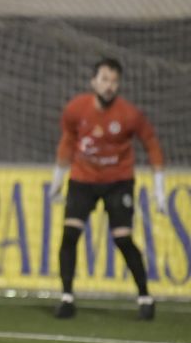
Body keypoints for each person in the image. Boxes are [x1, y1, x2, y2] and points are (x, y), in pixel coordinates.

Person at [48, 57, 165, 320]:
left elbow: (152, 144)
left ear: (119, 84)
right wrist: (57, 180)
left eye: (114, 80)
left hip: (118, 182)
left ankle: (145, 297)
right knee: (70, 234)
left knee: (123, 238)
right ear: (93, 82)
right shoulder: (76, 109)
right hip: (82, 180)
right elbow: (67, 143)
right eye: (104, 79)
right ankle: (67, 297)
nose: (109, 85)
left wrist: (159, 187)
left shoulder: (129, 114)